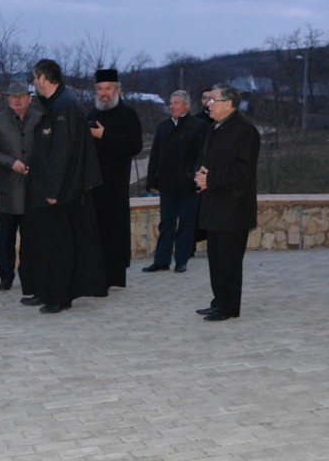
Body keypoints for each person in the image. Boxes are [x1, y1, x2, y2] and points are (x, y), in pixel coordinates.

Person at [23, 59, 108, 313]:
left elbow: (63, 154)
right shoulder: (55, 104)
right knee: (46, 244)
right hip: (47, 190)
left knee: (59, 245)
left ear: (43, 79)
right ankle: (46, 290)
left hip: (59, 194)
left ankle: (59, 297)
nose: (34, 83)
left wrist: (53, 192)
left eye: (35, 78)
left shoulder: (64, 107)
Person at [193, 84, 260, 322]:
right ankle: (218, 301)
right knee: (216, 259)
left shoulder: (245, 131)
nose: (208, 104)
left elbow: (242, 170)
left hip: (234, 208)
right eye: (208, 100)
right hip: (214, 206)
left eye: (213, 100)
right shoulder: (215, 128)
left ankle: (229, 307)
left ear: (228, 104)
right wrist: (199, 175)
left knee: (229, 260)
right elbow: (203, 159)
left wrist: (210, 180)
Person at [0, 79, 39, 292]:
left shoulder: (40, 120)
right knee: (6, 238)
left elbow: (48, 149)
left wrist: (37, 166)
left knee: (31, 238)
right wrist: (11, 163)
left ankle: (30, 275)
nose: (16, 100)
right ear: (7, 99)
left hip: (33, 191)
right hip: (8, 191)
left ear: (29, 98)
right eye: (12, 96)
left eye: (20, 96)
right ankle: (6, 276)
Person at [88, 68, 143, 288]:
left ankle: (115, 277)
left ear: (118, 90)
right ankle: (96, 274)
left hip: (116, 185)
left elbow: (135, 145)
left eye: (108, 89)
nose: (104, 93)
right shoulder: (92, 114)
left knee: (114, 232)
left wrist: (105, 136)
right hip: (93, 184)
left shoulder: (128, 115)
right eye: (100, 89)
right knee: (96, 232)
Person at [142, 89, 206, 274]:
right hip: (167, 184)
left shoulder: (198, 126)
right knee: (167, 223)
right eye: (171, 103)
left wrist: (195, 176)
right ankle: (161, 261)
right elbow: (155, 155)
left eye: (176, 103)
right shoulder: (163, 127)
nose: (172, 106)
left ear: (186, 105)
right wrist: (152, 181)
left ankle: (181, 260)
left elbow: (202, 155)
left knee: (186, 224)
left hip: (188, 185)